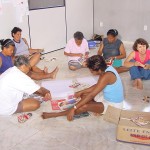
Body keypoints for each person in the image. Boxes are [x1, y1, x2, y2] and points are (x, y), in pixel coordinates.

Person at [42, 55, 124, 121]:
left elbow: (92, 95)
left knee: (84, 106)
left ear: (98, 70)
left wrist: (74, 108)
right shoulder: (106, 68)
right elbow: (97, 85)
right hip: (105, 97)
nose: (91, 73)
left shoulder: (106, 76)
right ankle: (96, 109)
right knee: (84, 94)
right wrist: (81, 92)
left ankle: (56, 114)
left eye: (91, 71)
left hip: (113, 105)